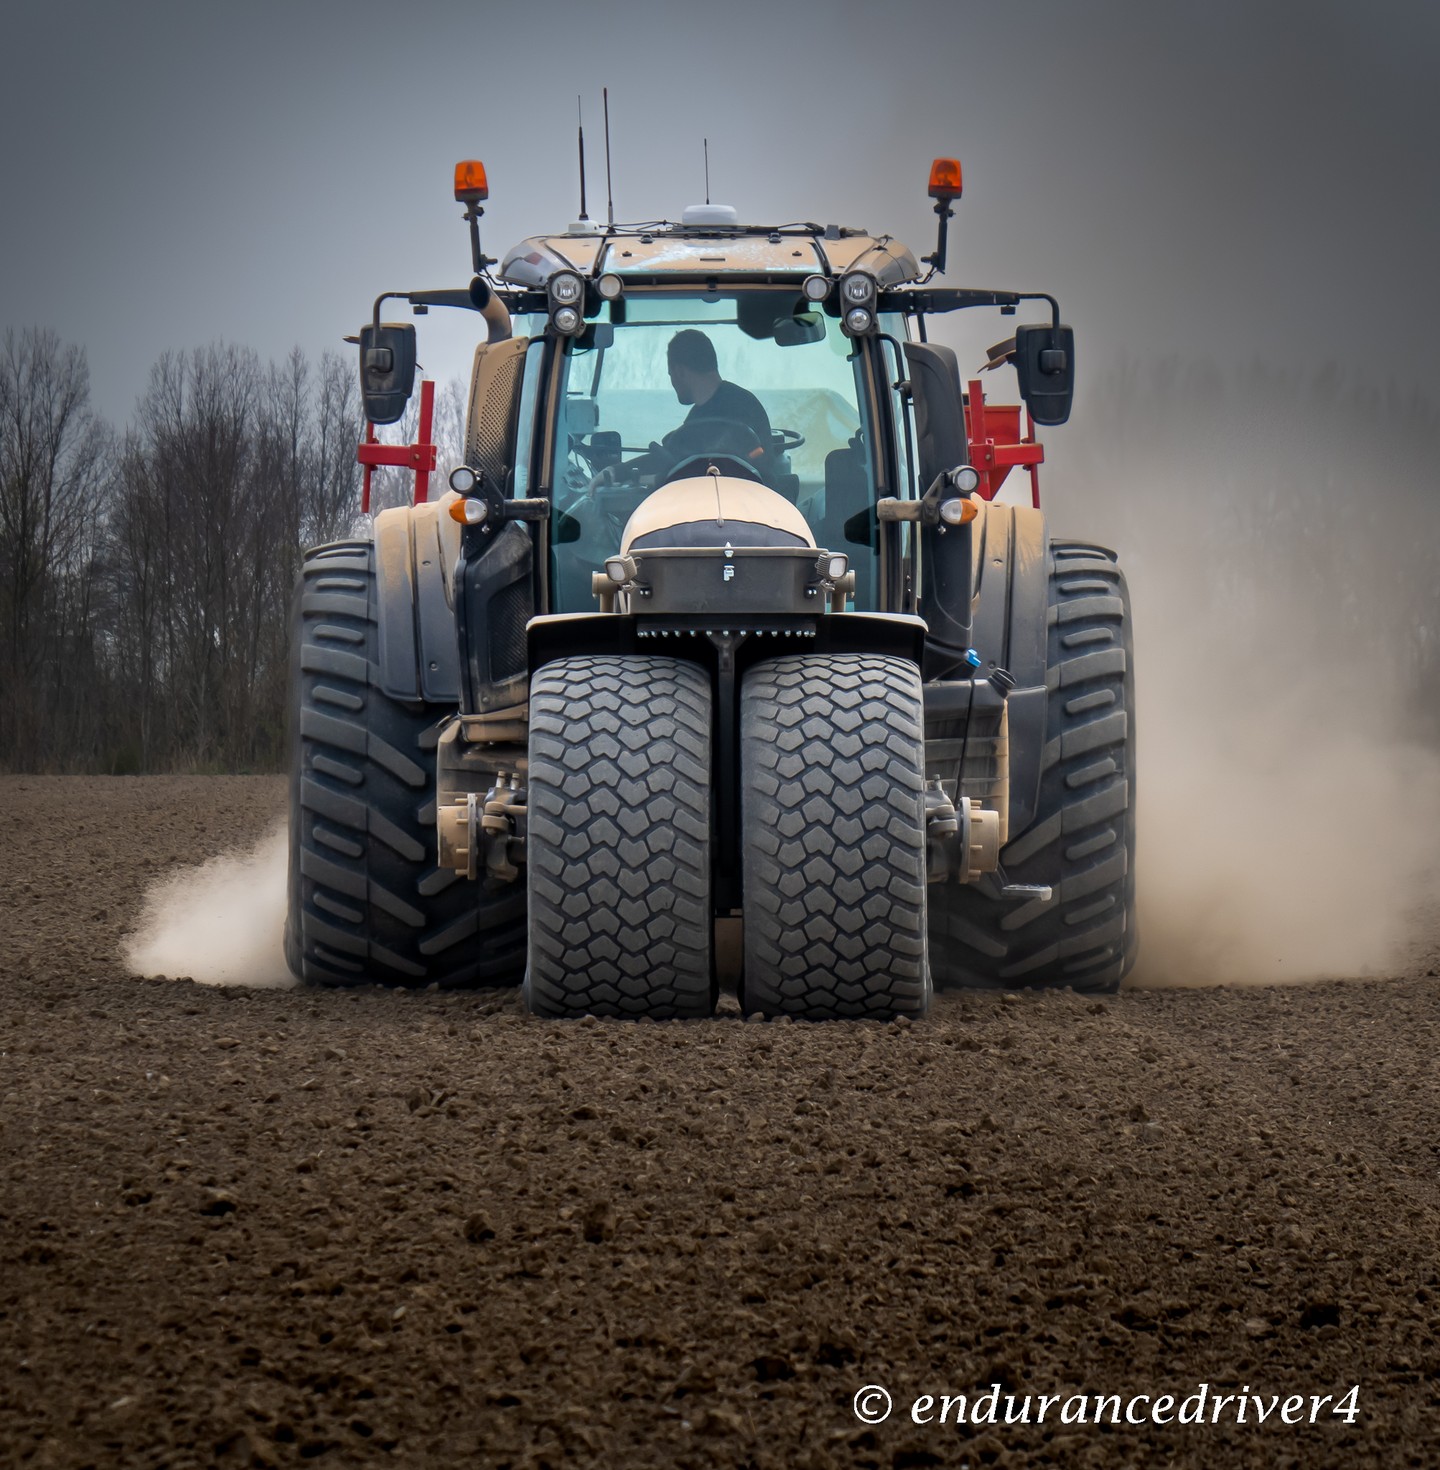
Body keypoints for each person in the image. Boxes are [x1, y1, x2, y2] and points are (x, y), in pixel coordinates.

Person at [590, 329, 772, 488]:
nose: (673, 383)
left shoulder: (707, 420)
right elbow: (668, 458)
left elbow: (669, 461)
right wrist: (617, 471)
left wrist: (616, 472)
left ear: (679, 372)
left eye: (670, 375)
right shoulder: (742, 404)